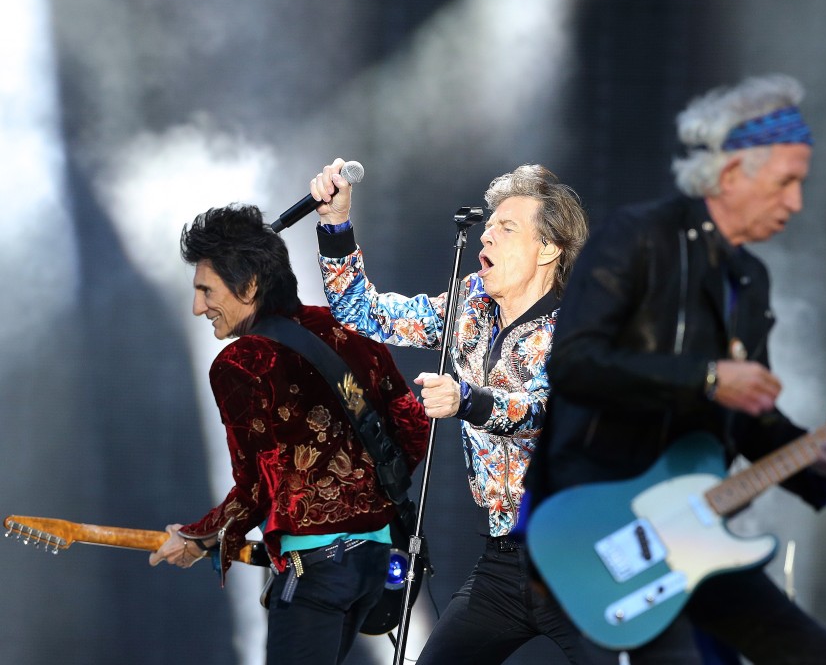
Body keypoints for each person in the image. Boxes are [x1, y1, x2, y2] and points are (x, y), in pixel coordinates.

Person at [524, 74, 826, 664]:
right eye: (787, 183)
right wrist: (705, 377)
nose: (796, 203)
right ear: (733, 174)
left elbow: (749, 419)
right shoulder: (637, 238)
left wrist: (818, 456)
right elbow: (574, 363)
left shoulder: (751, 280)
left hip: (690, 529)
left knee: (810, 652)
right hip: (601, 517)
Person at [308, 159, 591, 663]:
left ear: (549, 248)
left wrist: (466, 400)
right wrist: (336, 225)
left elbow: (543, 410)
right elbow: (362, 312)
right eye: (487, 229)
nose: (486, 239)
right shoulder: (470, 307)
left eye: (506, 229)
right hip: (505, 564)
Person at [148, 204, 430, 665]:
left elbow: (256, 488)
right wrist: (360, 500)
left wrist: (199, 538)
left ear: (250, 285)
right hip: (376, 563)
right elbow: (413, 430)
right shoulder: (347, 326)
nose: (197, 307)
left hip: (315, 572)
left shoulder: (241, 363)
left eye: (205, 290)